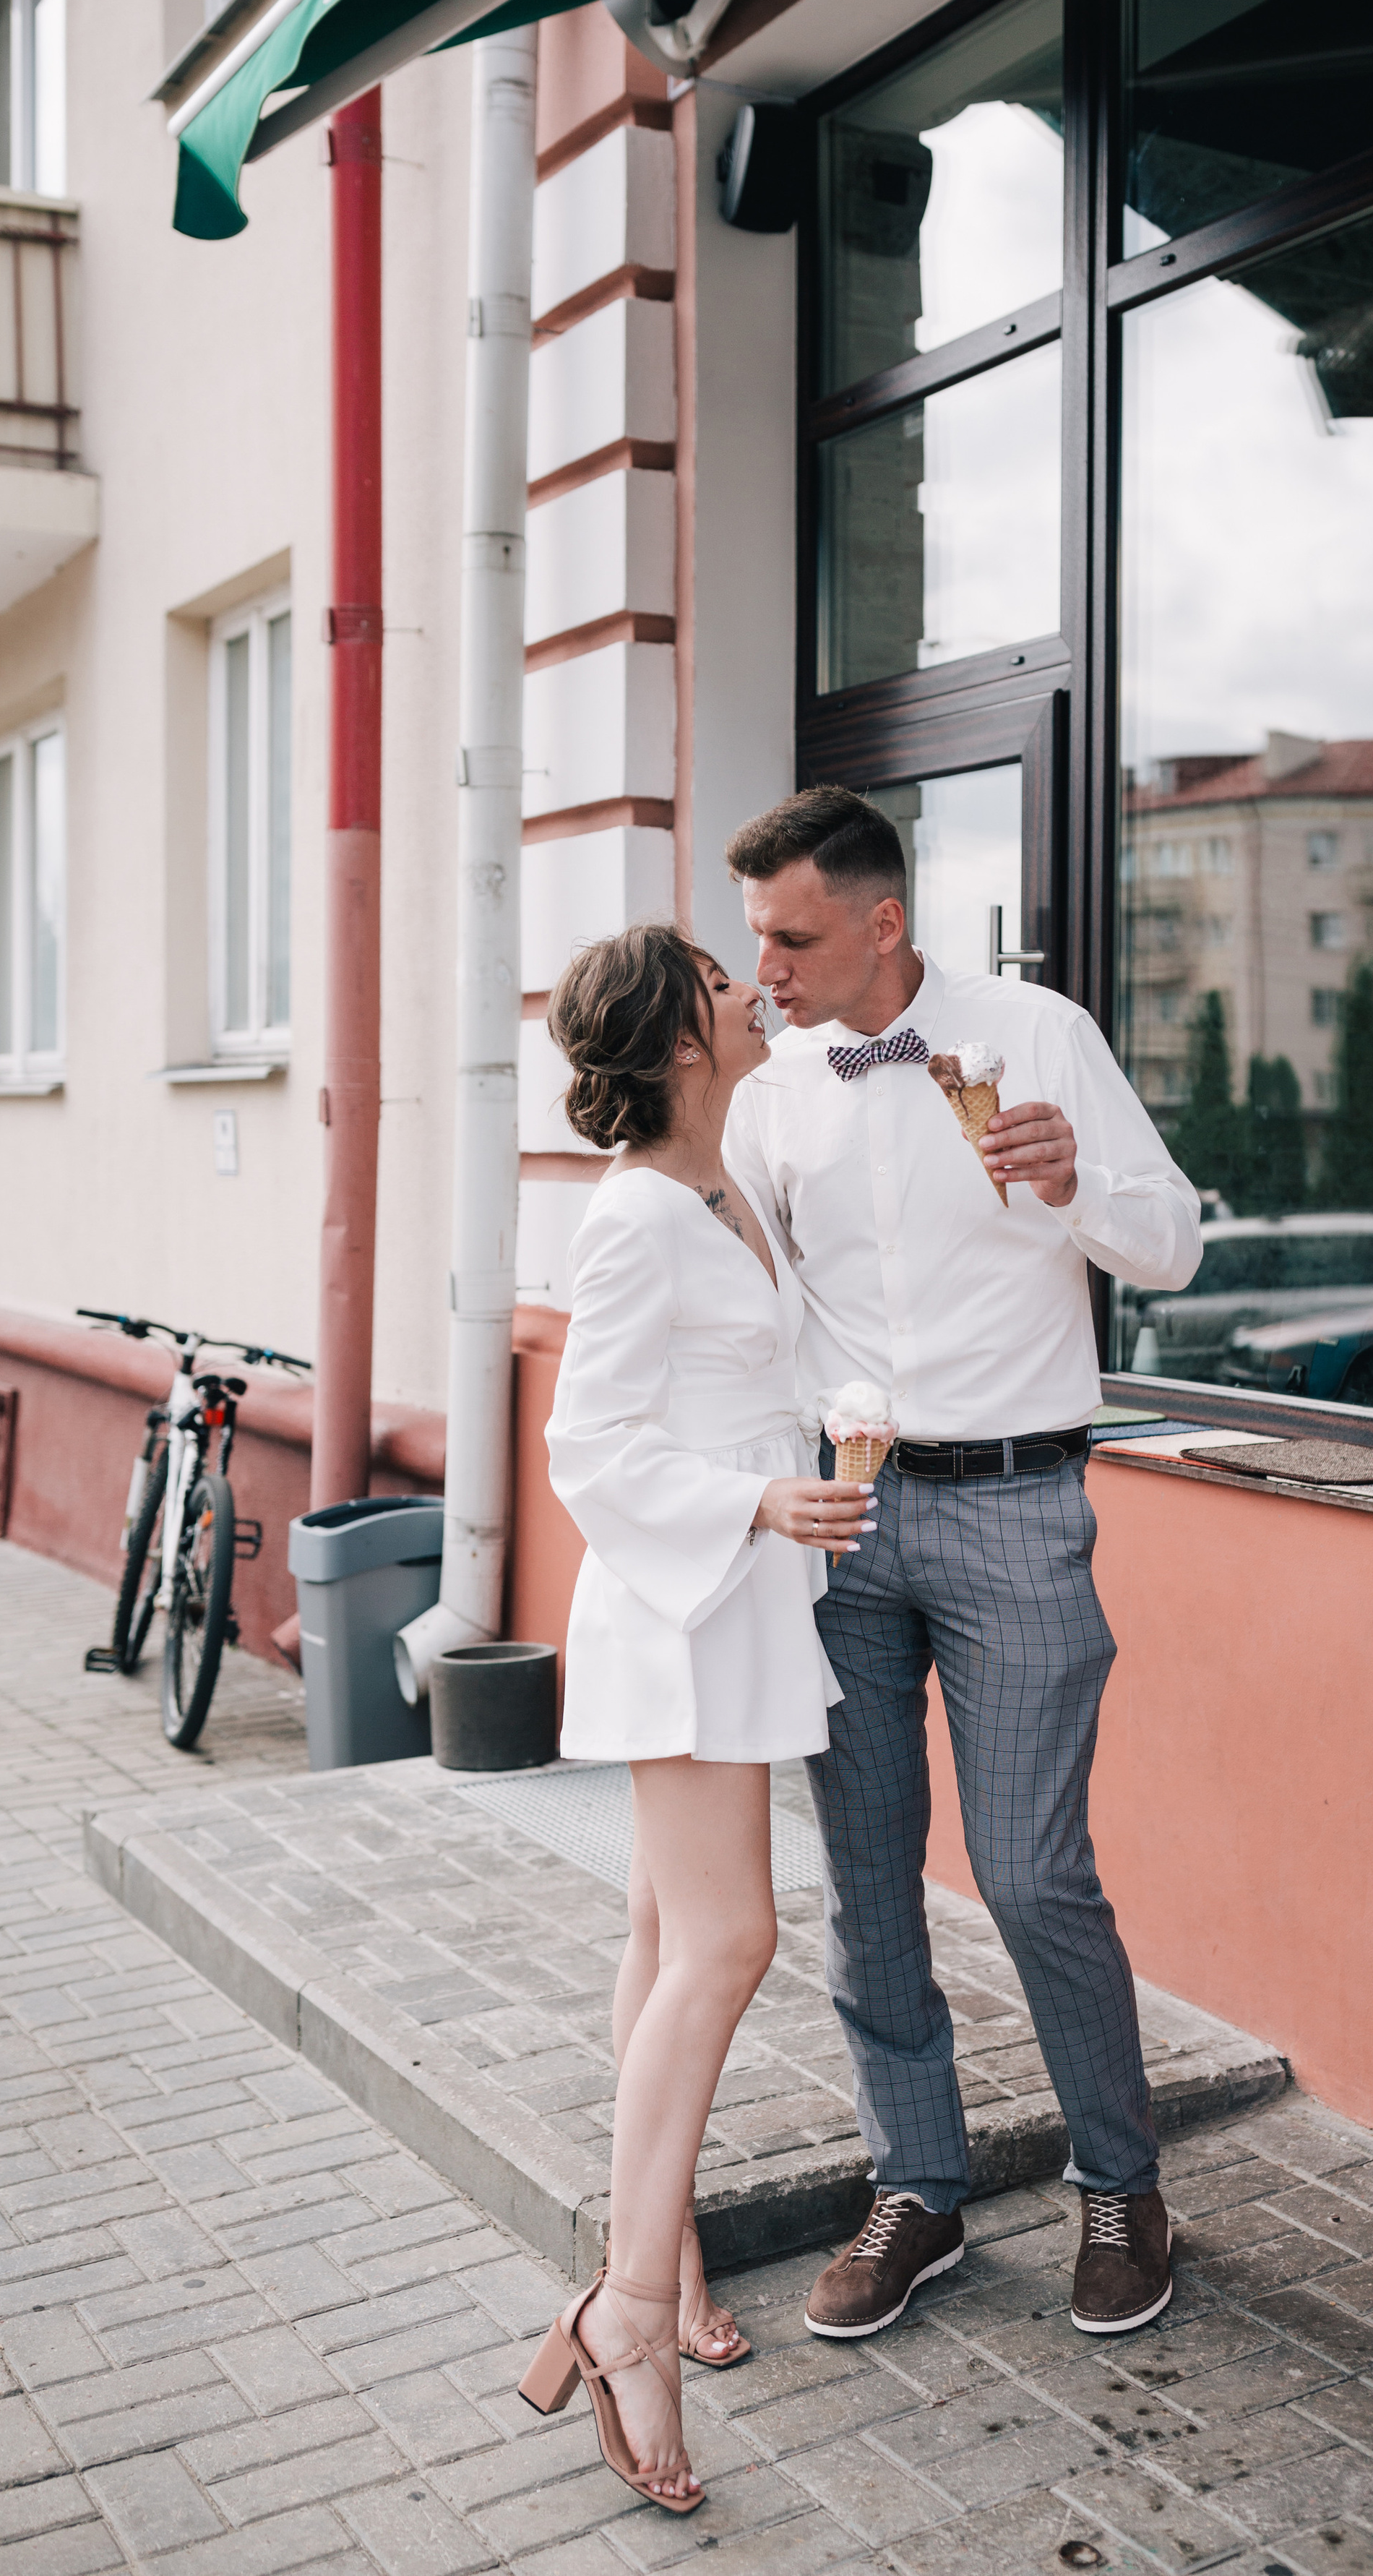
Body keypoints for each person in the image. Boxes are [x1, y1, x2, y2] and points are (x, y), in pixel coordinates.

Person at [723, 787, 1203, 2343]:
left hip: (1013, 1506)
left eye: (790, 939)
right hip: (844, 1515)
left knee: (1029, 1872)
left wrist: (1079, 1185)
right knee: (863, 1881)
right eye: (753, 942)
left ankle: (1120, 2187)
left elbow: (1173, 1242)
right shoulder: (767, 1088)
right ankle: (914, 2188)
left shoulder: (1036, 1032)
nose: (766, 972)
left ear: (880, 922)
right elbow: (752, 1313)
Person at [517, 922, 874, 2514]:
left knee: (671, 1938)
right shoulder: (637, 1219)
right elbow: (583, 1452)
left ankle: (668, 2248)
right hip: (683, 1610)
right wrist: (757, 1506)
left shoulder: (725, 1183)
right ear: (678, 1041)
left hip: (736, 1594)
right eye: (725, 984)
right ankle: (629, 2310)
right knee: (732, 1945)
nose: (752, 992)